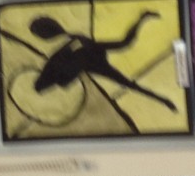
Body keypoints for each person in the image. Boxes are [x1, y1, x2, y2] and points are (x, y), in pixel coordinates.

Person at [29, 13, 177, 111]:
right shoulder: (60, 69)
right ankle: (163, 100)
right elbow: (70, 64)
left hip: (91, 56)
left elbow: (71, 53)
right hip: (91, 61)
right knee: (127, 75)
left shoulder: (58, 63)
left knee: (125, 51)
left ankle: (163, 100)